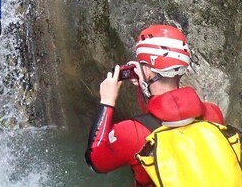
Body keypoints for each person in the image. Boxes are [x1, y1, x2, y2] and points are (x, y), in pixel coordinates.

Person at [85, 24, 225, 185]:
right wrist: (146, 83)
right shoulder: (213, 113)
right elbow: (168, 117)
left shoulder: (131, 133)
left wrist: (107, 102)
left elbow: (95, 161)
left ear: (147, 72)